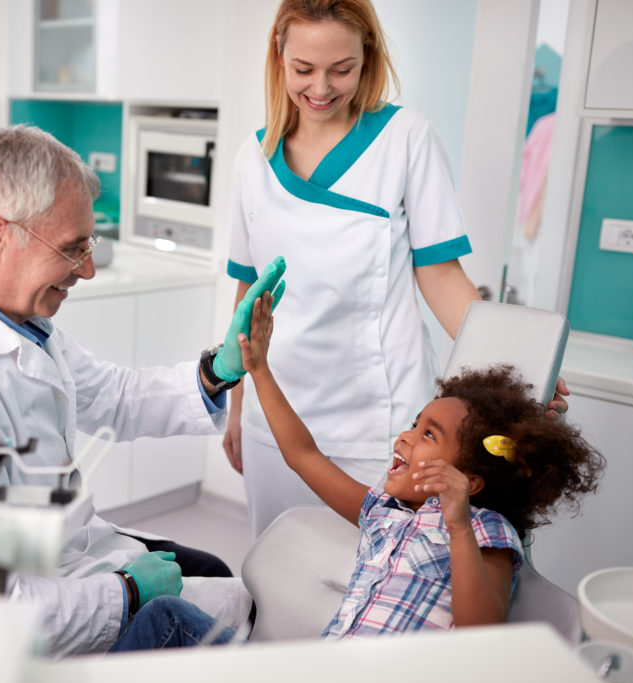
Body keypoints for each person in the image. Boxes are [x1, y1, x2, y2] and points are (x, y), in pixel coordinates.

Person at [0, 124, 283, 657]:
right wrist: (127, 594)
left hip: (56, 560)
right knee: (243, 613)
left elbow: (113, 396)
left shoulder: (9, 319)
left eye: (89, 243)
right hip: (18, 633)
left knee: (214, 573)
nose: (86, 268)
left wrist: (218, 371)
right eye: (72, 247)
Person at [222, 0, 569, 537]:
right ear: (279, 56)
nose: (321, 88)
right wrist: (236, 402)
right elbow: (250, 291)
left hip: (377, 431)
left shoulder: (405, 139)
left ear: (368, 58)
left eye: (341, 69)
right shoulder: (253, 156)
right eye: (304, 69)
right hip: (275, 417)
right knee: (275, 583)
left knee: (377, 592)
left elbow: (441, 276)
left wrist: (522, 370)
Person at [237, 292, 604, 635]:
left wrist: (458, 524)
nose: (406, 436)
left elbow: (481, 631)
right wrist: (260, 371)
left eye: (429, 434)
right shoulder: (380, 510)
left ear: (470, 481)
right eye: (415, 424)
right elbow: (303, 455)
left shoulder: (484, 529)